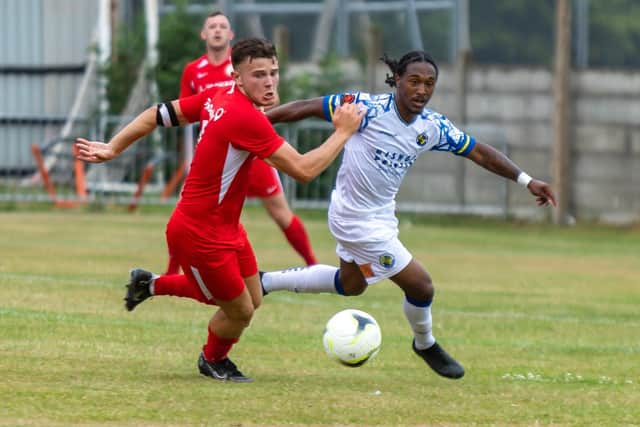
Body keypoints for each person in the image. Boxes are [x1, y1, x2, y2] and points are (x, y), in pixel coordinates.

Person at [74, 38, 364, 382]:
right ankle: (211, 360)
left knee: (253, 296)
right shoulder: (245, 117)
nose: (269, 82)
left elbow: (158, 114)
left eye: (273, 73)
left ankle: (149, 284)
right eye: (258, 75)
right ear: (237, 77)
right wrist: (343, 132)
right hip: (199, 233)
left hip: (227, 229)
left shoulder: (219, 96)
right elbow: (303, 170)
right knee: (238, 309)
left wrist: (113, 146)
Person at [260, 51, 557, 380]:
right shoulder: (366, 109)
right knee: (422, 286)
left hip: (381, 217)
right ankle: (425, 343)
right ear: (397, 80)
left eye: (429, 84)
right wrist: (257, 121)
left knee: (351, 284)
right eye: (414, 81)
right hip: (354, 219)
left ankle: (266, 281)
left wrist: (527, 180)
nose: (421, 90)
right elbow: (306, 107)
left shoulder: (432, 126)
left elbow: (480, 153)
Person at [164, 10, 317, 277]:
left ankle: (313, 265)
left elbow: (272, 100)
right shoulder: (193, 71)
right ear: (204, 34)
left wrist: (251, 118)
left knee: (281, 212)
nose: (217, 30)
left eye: (223, 26)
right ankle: (171, 271)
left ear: (230, 34)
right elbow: (185, 112)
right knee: (187, 211)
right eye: (212, 26)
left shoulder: (247, 64)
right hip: (215, 155)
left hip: (253, 152)